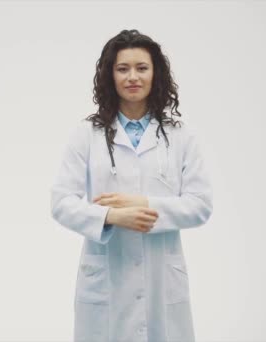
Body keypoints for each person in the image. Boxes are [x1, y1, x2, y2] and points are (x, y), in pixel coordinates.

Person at [50, 29, 213, 342]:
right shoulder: (86, 134)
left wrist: (145, 206)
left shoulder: (180, 135)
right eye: (122, 68)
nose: (132, 77)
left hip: (161, 278)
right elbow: (61, 203)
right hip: (106, 276)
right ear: (109, 75)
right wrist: (111, 217)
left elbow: (200, 205)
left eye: (142, 68)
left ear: (156, 74)